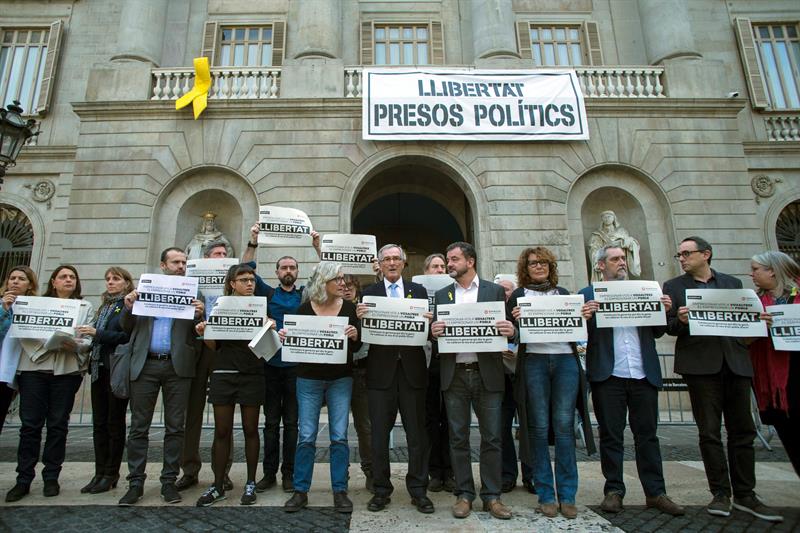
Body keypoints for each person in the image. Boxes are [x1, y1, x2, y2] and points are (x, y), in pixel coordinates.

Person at [663, 236, 782, 522]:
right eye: (680, 254)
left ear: (706, 255)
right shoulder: (674, 287)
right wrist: (680, 320)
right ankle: (720, 492)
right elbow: (667, 327)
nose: (681, 258)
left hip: (736, 362)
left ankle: (745, 493)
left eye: (687, 253)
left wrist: (759, 322)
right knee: (709, 433)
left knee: (742, 431)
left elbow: (744, 325)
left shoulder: (733, 284)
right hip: (701, 367)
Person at [580, 245, 684, 516]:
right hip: (608, 375)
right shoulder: (587, 294)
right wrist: (586, 317)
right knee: (611, 437)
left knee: (647, 436)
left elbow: (660, 331)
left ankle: (656, 492)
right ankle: (614, 490)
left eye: (623, 259)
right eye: (615, 259)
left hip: (642, 373)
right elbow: (581, 335)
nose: (621, 263)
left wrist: (665, 310)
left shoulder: (647, 290)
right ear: (601, 265)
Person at [430, 242, 516, 520]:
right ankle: (464, 494)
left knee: (492, 437)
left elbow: (509, 331)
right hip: (454, 373)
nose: (449, 264)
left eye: (454, 259)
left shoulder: (493, 291)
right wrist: (434, 331)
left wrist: (510, 330)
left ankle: (492, 496)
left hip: (487, 372)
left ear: (471, 261)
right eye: (447, 259)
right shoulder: (443, 295)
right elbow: (435, 334)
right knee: (458, 437)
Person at [507, 247, 594, 519]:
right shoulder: (519, 296)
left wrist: (585, 317)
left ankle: (567, 495)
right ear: (526, 267)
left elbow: (578, 330)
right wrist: (516, 324)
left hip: (566, 361)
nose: (539, 266)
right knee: (539, 428)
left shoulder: (565, 295)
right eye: (533, 263)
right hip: (534, 362)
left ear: (550, 266)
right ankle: (546, 494)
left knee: (565, 426)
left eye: (543, 262)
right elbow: (510, 333)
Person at [117, 247, 205, 506]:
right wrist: (128, 308)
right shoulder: (144, 289)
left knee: (175, 427)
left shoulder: (194, 293)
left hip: (178, 368)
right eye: (176, 262)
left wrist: (201, 315)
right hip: (145, 366)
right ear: (163, 265)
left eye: (184, 262)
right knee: (138, 427)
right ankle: (135, 482)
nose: (181, 266)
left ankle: (169, 481)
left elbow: (198, 332)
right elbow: (125, 327)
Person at [241, 222, 321, 494]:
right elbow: (244, 270)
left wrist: (317, 246)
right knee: (271, 423)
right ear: (276, 272)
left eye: (292, 268)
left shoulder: (304, 294)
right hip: (271, 366)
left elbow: (326, 275)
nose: (288, 271)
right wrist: (253, 242)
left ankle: (289, 473)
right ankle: (268, 474)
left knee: (292, 424)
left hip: (297, 368)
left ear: (297, 273)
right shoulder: (268, 292)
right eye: (284, 267)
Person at [4, 265, 94, 502]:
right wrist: (45, 347)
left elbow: (87, 340)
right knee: (30, 426)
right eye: (63, 276)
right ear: (53, 281)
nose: (68, 280)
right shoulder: (33, 303)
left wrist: (75, 345)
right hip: (33, 369)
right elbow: (22, 331)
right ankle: (23, 479)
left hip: (66, 371)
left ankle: (51, 477)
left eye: (72, 277)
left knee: (58, 425)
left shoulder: (85, 307)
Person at [356, 244, 434, 514]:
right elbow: (359, 339)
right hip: (380, 374)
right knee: (379, 436)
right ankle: (381, 490)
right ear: (379, 264)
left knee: (417, 437)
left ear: (403, 263)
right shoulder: (369, 294)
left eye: (395, 259)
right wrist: (359, 320)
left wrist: (428, 321)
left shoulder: (419, 292)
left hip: (412, 373)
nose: (391, 263)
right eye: (386, 259)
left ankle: (418, 491)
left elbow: (429, 334)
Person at [283, 261, 360, 514]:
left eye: (343, 279)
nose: (343, 283)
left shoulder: (350, 308)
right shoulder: (304, 310)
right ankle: (300, 490)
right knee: (306, 436)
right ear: (323, 282)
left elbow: (357, 348)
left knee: (339, 436)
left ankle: (340, 491)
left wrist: (354, 336)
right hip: (308, 379)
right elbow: (294, 344)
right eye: (337, 279)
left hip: (341, 379)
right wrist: (287, 336)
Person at [194, 263, 269, 506]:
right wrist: (207, 332)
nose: (250, 284)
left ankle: (250, 483)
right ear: (232, 284)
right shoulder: (220, 306)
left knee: (250, 429)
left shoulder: (260, 307)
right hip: (224, 373)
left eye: (252, 280)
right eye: (244, 280)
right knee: (222, 431)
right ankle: (217, 484)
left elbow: (266, 349)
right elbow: (215, 346)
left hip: (251, 374)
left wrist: (270, 330)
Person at [176, 239, 234, 493]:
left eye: (224, 254)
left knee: (225, 413)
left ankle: (223, 470)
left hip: (221, 349)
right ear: (206, 258)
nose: (221, 257)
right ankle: (189, 469)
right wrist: (196, 313)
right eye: (217, 254)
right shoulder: (190, 283)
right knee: (193, 412)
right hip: (196, 349)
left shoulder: (232, 284)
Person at [75, 267, 133, 495]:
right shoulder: (103, 307)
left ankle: (111, 473)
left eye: (116, 279)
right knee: (98, 424)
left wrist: (97, 334)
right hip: (98, 368)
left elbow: (126, 336)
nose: (110, 282)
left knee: (114, 423)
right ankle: (99, 472)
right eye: (108, 279)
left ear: (127, 282)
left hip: (115, 369)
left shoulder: (126, 307)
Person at [748, 251, 800, 476]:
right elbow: (745, 342)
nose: (751, 274)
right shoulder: (757, 303)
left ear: (772, 270)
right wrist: (758, 328)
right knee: (791, 439)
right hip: (774, 384)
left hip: (795, 370)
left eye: (756, 269)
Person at [495, 277, 534, 495]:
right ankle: (507, 475)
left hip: (525, 374)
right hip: (500, 376)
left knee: (529, 426)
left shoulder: (522, 309)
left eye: (507, 291)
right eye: (500, 291)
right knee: (501, 427)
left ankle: (531, 474)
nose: (504, 295)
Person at [421, 253, 455, 493]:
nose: (440, 269)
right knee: (431, 420)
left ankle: (451, 471)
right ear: (426, 271)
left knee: (453, 420)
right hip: (428, 363)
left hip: (453, 361)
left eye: (443, 266)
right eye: (435, 266)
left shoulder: (456, 292)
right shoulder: (419, 292)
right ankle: (434, 471)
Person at [343, 274, 373, 492]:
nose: (346, 289)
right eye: (342, 286)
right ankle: (340, 472)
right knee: (338, 427)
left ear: (356, 289)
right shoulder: (331, 307)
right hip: (337, 372)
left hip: (361, 371)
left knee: (365, 426)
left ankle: (370, 471)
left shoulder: (365, 309)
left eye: (350, 286)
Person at [0, 266, 38, 435]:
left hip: (13, 370)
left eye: (21, 279)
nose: (15, 281)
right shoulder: (2, 305)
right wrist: (4, 309)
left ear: (30, 285)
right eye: (12, 278)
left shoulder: (34, 307)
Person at [588, 211, 641, 282]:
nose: (607, 219)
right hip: (606, 264)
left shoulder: (622, 232)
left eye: (609, 216)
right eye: (604, 217)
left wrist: (627, 242)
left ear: (614, 218)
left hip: (620, 265)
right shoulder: (597, 235)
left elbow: (630, 244)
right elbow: (594, 250)